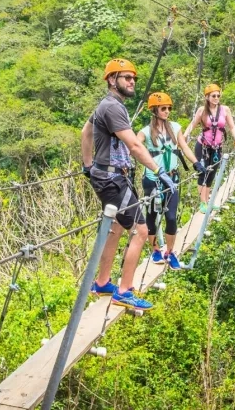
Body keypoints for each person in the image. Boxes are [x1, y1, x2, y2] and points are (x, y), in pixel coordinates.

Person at [81, 59, 177, 310]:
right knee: (141, 231)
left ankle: (102, 282)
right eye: (126, 77)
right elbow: (134, 146)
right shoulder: (112, 107)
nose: (132, 81)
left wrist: (88, 165)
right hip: (113, 179)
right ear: (112, 80)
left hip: (108, 176)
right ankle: (124, 291)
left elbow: (85, 132)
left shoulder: (108, 105)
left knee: (116, 227)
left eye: (133, 77)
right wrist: (159, 171)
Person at [137, 92, 205, 270]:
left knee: (171, 217)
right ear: (154, 110)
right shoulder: (145, 132)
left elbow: (183, 147)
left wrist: (196, 163)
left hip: (172, 179)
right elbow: (135, 147)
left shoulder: (175, 127)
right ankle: (155, 250)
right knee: (152, 217)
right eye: (163, 108)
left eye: (168, 108)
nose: (167, 111)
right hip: (152, 179)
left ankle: (170, 251)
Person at [184, 83, 235, 213]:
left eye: (218, 95)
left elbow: (232, 127)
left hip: (217, 148)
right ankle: (203, 203)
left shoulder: (225, 110)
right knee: (203, 172)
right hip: (203, 147)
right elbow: (192, 125)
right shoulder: (202, 110)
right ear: (207, 97)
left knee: (211, 174)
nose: (216, 98)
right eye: (213, 96)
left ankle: (208, 201)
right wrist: (183, 137)